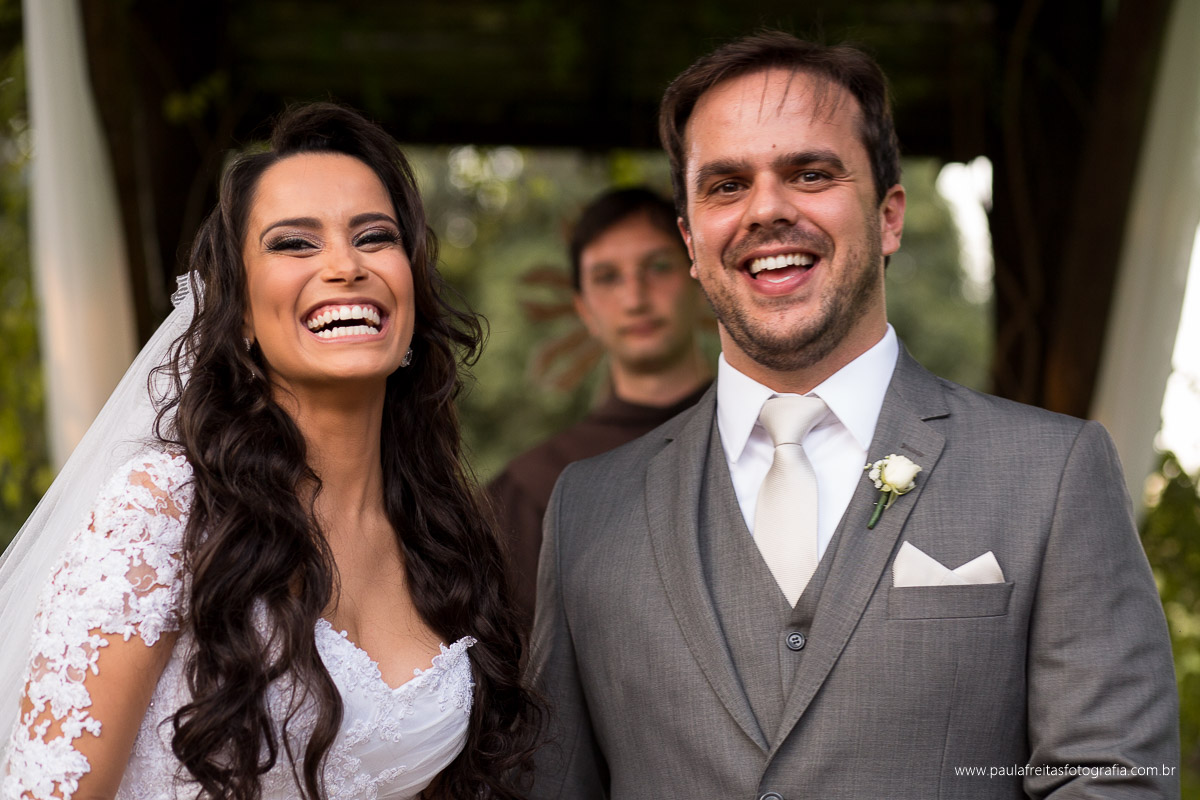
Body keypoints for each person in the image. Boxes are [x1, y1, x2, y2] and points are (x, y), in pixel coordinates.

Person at [528, 31, 1179, 799]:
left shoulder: (1053, 474)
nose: (766, 210)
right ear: (692, 244)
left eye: (810, 172)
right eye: (726, 185)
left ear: (889, 216)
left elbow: (1109, 781)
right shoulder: (588, 510)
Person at [0, 103, 540, 799]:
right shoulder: (164, 514)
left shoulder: (443, 535)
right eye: (294, 243)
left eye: (375, 237)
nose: (346, 266)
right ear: (242, 314)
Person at [488, 187, 711, 625]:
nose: (635, 298)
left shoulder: (773, 436)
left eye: (658, 267)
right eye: (608, 277)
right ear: (583, 308)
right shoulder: (531, 490)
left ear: (699, 277)